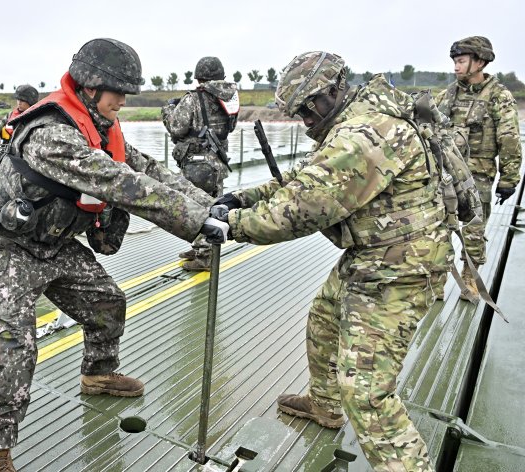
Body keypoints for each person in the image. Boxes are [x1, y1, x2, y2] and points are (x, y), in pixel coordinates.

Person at [0, 38, 227, 471]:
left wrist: (210, 203)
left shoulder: (102, 127)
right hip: (7, 249)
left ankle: (97, 374)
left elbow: (148, 169)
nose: (123, 101)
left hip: (53, 245)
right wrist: (195, 221)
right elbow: (119, 182)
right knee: (13, 347)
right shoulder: (51, 133)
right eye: (117, 91)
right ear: (89, 86)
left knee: (107, 303)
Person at [211, 52, 453, 471]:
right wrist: (243, 197)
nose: (305, 119)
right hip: (375, 254)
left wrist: (232, 223)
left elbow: (301, 208)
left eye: (309, 108)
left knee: (366, 392)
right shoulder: (358, 119)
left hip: (398, 269)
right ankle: (324, 405)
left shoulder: (363, 135)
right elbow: (309, 174)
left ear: (334, 90)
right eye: (299, 111)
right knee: (324, 317)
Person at [435, 36, 522, 302]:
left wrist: (509, 178)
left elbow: (509, 138)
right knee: (438, 226)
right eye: (454, 61)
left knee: (473, 228)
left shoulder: (498, 96)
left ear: (480, 62)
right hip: (446, 173)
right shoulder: (450, 93)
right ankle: (436, 278)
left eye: (461, 61)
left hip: (479, 175)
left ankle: (470, 278)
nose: (456, 67)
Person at [162, 56, 239, 271]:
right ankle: (201, 249)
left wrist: (168, 110)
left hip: (197, 164)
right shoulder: (231, 97)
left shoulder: (193, 98)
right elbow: (229, 127)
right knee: (213, 206)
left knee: (197, 207)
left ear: (199, 79)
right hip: (218, 162)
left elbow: (177, 127)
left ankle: (204, 257)